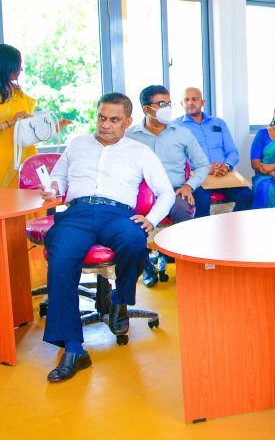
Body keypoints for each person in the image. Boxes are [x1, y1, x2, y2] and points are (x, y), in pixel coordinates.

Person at [39, 93, 174, 383]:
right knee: (60, 256)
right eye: (102, 117)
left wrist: (150, 219)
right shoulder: (77, 144)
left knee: (135, 242)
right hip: (77, 213)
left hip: (117, 214)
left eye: (114, 119)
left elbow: (167, 192)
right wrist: (54, 187)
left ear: (128, 121)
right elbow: (59, 176)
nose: (105, 124)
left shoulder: (140, 152)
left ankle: (120, 300)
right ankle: (73, 349)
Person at [0, 44, 56, 188]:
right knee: (2, 199)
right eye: (17, 65)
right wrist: (9, 123)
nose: (21, 69)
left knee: (32, 197)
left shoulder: (17, 91)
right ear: (5, 66)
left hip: (25, 156)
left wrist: (53, 126)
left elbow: (27, 122)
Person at [126, 85, 211, 226]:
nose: (167, 108)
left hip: (174, 191)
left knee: (182, 211)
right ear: (147, 109)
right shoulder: (129, 136)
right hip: (138, 192)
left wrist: (188, 186)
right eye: (161, 104)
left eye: (168, 103)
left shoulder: (182, 133)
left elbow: (203, 165)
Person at [173, 87, 253, 217]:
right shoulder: (176, 126)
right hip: (196, 176)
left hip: (222, 174)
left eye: (194, 99)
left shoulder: (218, 123)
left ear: (203, 102)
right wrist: (205, 168)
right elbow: (177, 157)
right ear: (182, 103)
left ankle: (230, 225)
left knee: (247, 195)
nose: (190, 102)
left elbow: (232, 151)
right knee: (202, 200)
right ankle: (204, 230)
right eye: (186, 100)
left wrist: (226, 166)